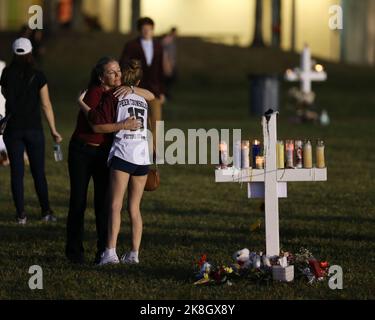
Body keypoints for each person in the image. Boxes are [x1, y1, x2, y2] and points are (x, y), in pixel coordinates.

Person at [67, 57, 154, 264]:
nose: (117, 75)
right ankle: (75, 253)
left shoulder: (120, 92)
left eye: (118, 71)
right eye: (112, 72)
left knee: (104, 204)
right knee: (79, 202)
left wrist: (132, 90)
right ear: (101, 76)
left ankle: (104, 251)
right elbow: (96, 127)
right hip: (82, 151)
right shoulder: (94, 93)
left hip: (104, 153)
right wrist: (123, 125)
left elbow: (150, 95)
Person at [0, 38, 62, 224]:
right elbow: (46, 104)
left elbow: (3, 93)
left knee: (16, 174)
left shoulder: (6, 73)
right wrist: (53, 130)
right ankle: (46, 212)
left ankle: (21, 215)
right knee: (38, 172)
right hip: (34, 129)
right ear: (30, 52)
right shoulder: (38, 75)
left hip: (13, 130)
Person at [119, 17, 165, 146]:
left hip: (154, 89)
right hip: (137, 88)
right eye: (144, 29)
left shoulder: (158, 45)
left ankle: (155, 151)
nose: (147, 32)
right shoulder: (131, 45)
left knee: (157, 122)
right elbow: (124, 65)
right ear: (140, 30)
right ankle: (138, 147)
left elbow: (160, 69)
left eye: (149, 29)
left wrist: (162, 91)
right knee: (139, 121)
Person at [161, 27, 178, 99]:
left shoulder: (172, 40)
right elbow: (165, 52)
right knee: (168, 79)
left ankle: (167, 93)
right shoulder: (167, 40)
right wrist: (167, 64)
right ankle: (165, 94)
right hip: (168, 63)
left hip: (171, 63)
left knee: (170, 79)